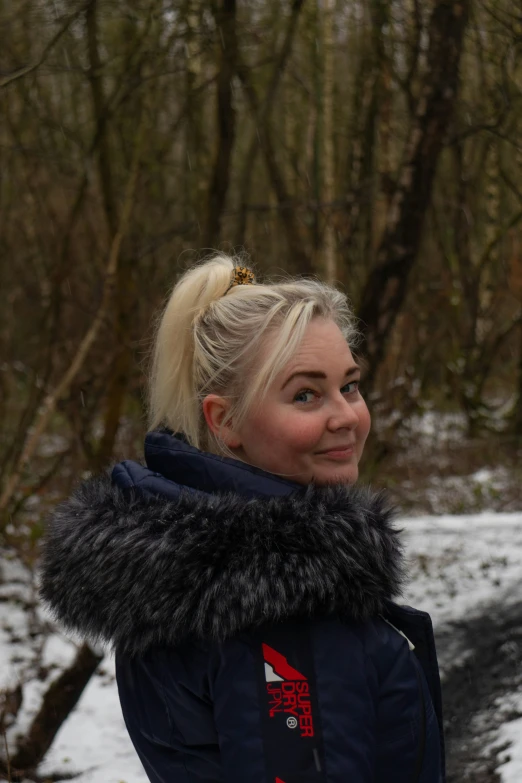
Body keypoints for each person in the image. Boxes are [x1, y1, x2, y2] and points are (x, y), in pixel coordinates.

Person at [39, 254, 445, 783]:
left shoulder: (199, 579)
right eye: (306, 394)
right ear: (225, 420)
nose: (346, 416)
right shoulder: (281, 610)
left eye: (349, 386)